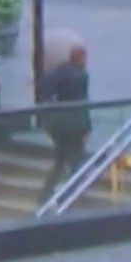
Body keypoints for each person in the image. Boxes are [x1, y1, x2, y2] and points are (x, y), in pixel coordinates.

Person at [37, 45, 92, 201]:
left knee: (60, 160)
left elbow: (44, 88)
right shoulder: (81, 76)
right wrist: (87, 126)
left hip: (59, 125)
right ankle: (72, 193)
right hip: (74, 124)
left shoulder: (60, 71)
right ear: (81, 58)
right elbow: (82, 103)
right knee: (76, 158)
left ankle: (47, 193)